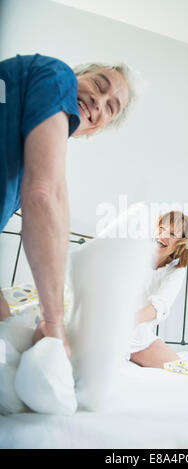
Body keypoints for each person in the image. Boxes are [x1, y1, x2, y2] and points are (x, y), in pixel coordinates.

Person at [0, 53, 136, 357]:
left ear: (96, 129)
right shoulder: (55, 73)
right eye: (99, 85)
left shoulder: (22, 160)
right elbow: (45, 195)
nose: (100, 102)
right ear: (76, 75)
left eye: (111, 107)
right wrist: (53, 323)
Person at [129, 210, 188, 368]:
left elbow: (160, 305)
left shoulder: (176, 269)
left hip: (137, 333)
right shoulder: (135, 253)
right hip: (110, 323)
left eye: (172, 234)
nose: (163, 235)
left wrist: (129, 322)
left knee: (181, 369)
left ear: (181, 243)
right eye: (161, 228)